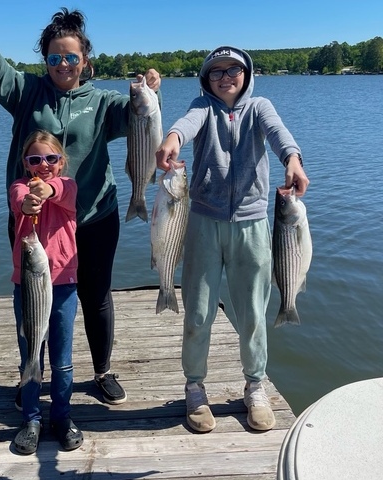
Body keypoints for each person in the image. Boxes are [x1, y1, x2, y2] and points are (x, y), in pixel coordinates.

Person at [0, 7, 161, 406]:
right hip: (34, 222)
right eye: (55, 58)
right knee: (32, 295)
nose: (63, 65)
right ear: (45, 61)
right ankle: (30, 378)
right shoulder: (27, 92)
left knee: (96, 294)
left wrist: (152, 91)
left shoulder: (103, 101)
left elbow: (139, 119)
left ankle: (102, 371)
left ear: (85, 61)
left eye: (71, 57)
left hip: (93, 217)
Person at [155, 46, 310, 433]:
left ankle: (255, 386)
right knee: (198, 313)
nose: (225, 77)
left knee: (253, 315)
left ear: (246, 73)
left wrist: (292, 158)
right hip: (203, 222)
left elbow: (278, 133)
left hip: (254, 224)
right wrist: (172, 138)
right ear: (206, 80)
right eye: (216, 72)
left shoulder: (260, 106)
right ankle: (195, 386)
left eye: (233, 70)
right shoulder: (202, 108)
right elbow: (186, 124)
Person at [9, 130, 82, 454]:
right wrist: (29, 202)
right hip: (27, 285)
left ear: (61, 161)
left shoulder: (68, 185)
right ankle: (32, 418)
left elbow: (62, 191)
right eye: (35, 159)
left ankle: (62, 417)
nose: (43, 164)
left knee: (62, 361)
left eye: (51, 159)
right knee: (30, 354)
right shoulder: (18, 186)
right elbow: (20, 203)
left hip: (64, 284)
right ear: (25, 163)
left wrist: (48, 189)